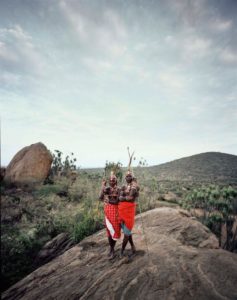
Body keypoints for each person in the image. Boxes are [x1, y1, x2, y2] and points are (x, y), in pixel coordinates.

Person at [99, 172, 121, 259]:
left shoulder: (119, 189)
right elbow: (100, 197)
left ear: (116, 181)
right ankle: (112, 249)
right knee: (109, 231)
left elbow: (117, 201)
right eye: (110, 180)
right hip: (108, 211)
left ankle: (112, 249)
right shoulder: (107, 189)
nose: (112, 181)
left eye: (113, 180)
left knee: (115, 230)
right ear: (108, 181)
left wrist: (108, 201)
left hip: (116, 212)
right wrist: (102, 186)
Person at [119, 170, 139, 257]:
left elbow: (130, 197)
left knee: (126, 233)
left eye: (130, 176)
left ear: (132, 177)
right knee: (127, 231)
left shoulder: (134, 186)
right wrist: (123, 196)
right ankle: (133, 247)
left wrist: (123, 197)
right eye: (127, 176)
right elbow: (120, 195)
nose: (128, 177)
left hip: (129, 212)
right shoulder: (125, 186)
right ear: (125, 178)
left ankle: (122, 251)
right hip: (122, 211)